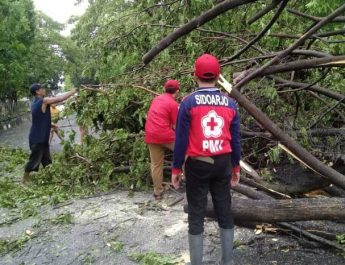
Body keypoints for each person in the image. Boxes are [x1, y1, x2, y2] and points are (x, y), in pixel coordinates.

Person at [171, 54, 241, 265]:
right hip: (223, 163)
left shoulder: (188, 102)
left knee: (196, 213)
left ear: (195, 76)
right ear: (218, 76)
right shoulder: (230, 103)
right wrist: (236, 166)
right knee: (224, 210)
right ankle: (227, 262)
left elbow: (181, 140)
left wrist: (175, 170)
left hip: (198, 164)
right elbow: (236, 139)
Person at [22, 83, 79, 185]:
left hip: (40, 137)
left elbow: (39, 119)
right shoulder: (43, 101)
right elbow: (59, 98)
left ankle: (51, 178)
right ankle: (25, 179)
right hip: (37, 138)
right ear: (37, 92)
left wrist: (51, 125)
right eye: (42, 88)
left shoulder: (35, 103)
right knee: (34, 160)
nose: (44, 90)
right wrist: (73, 91)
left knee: (47, 160)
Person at [144, 80, 179, 200]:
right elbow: (176, 125)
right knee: (185, 152)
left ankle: (158, 192)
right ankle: (184, 177)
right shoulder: (173, 104)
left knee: (156, 164)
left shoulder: (156, 99)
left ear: (165, 89)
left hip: (150, 135)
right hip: (165, 135)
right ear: (177, 91)